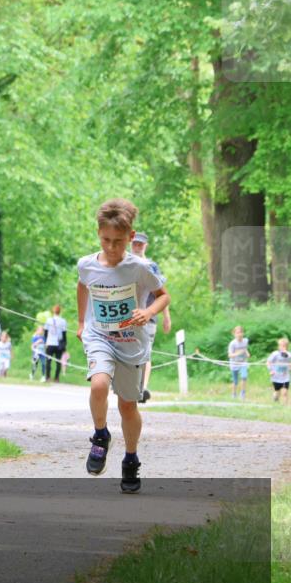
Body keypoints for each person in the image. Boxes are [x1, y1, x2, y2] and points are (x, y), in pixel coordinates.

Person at [77, 198, 169, 494]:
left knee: (127, 405)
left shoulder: (140, 267)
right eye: (105, 240)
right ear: (98, 233)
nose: (111, 247)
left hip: (130, 343)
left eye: (118, 241)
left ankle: (131, 458)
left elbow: (163, 296)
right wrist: (81, 322)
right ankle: (100, 435)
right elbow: (83, 285)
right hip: (100, 336)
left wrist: (148, 312)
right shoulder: (87, 265)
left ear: (130, 237)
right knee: (98, 385)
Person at [129, 232, 172, 403]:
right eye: (135, 243)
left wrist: (166, 317)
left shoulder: (152, 266)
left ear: (145, 246)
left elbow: (162, 293)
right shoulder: (123, 263)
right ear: (130, 244)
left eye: (140, 244)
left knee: (145, 352)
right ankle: (128, 384)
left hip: (149, 317)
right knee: (129, 351)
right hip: (126, 317)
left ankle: (142, 388)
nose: (137, 247)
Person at [43, 305, 68, 382]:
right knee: (58, 362)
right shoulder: (63, 321)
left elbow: (45, 333)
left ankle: (48, 377)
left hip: (50, 343)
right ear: (60, 311)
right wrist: (64, 345)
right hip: (59, 344)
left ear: (53, 311)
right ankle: (56, 378)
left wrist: (45, 342)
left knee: (48, 361)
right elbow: (64, 335)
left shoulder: (48, 320)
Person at [228, 325, 250, 400]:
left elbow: (245, 348)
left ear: (243, 333)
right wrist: (238, 353)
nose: (239, 334)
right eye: (237, 333)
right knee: (235, 381)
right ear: (234, 334)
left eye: (241, 332)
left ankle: (242, 393)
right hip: (234, 363)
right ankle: (234, 394)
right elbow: (230, 355)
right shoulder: (232, 343)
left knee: (244, 376)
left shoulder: (245, 341)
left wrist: (247, 353)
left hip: (243, 362)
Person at [267, 338, 290, 405]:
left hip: (285, 377)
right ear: (279, 346)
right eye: (281, 346)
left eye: (284, 346)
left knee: (285, 393)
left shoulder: (289, 355)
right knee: (277, 392)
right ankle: (275, 401)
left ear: (287, 347)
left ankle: (285, 407)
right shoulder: (275, 354)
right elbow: (268, 362)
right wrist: (271, 370)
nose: (282, 347)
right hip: (276, 377)